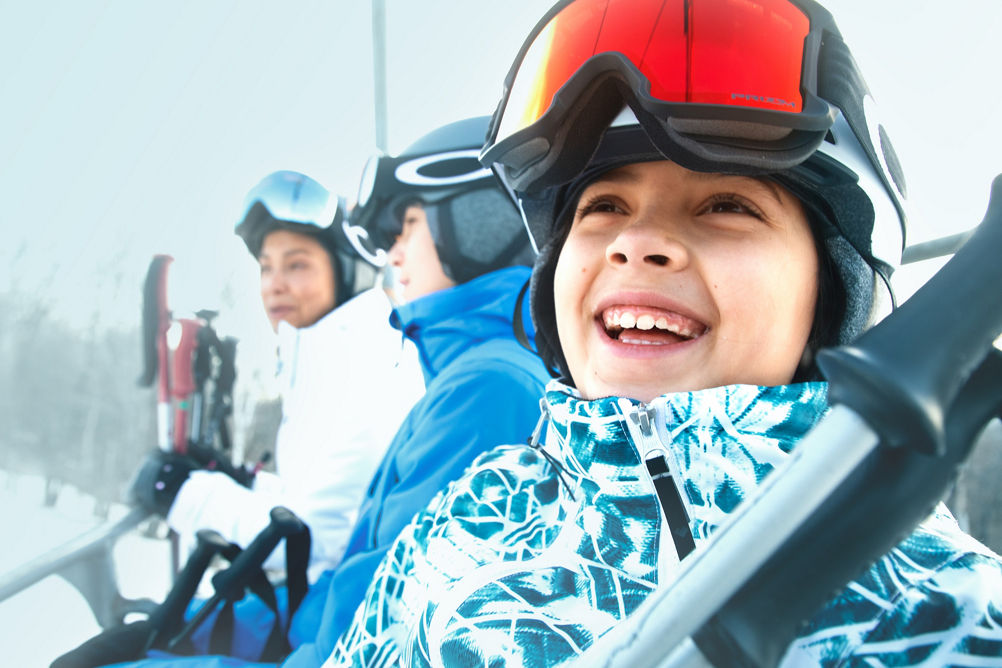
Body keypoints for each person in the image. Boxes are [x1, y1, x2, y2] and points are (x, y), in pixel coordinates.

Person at [323, 1, 1002, 666]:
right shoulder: (472, 516)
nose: (636, 242)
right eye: (604, 206)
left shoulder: (950, 613)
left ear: (833, 297)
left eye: (727, 205)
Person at [54, 118, 551, 667]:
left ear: (479, 222)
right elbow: (355, 582)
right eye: (267, 268)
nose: (395, 255)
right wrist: (206, 620)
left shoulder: (484, 390)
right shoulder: (465, 377)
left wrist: (191, 504)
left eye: (406, 227)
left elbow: (375, 626)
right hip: (308, 628)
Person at [130, 170, 425, 578]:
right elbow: (314, 500)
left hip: (331, 619)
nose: (274, 285)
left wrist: (186, 495)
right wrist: (243, 484)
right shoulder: (330, 356)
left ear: (345, 268)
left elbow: (314, 545)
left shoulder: (366, 367)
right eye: (266, 267)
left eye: (297, 265)